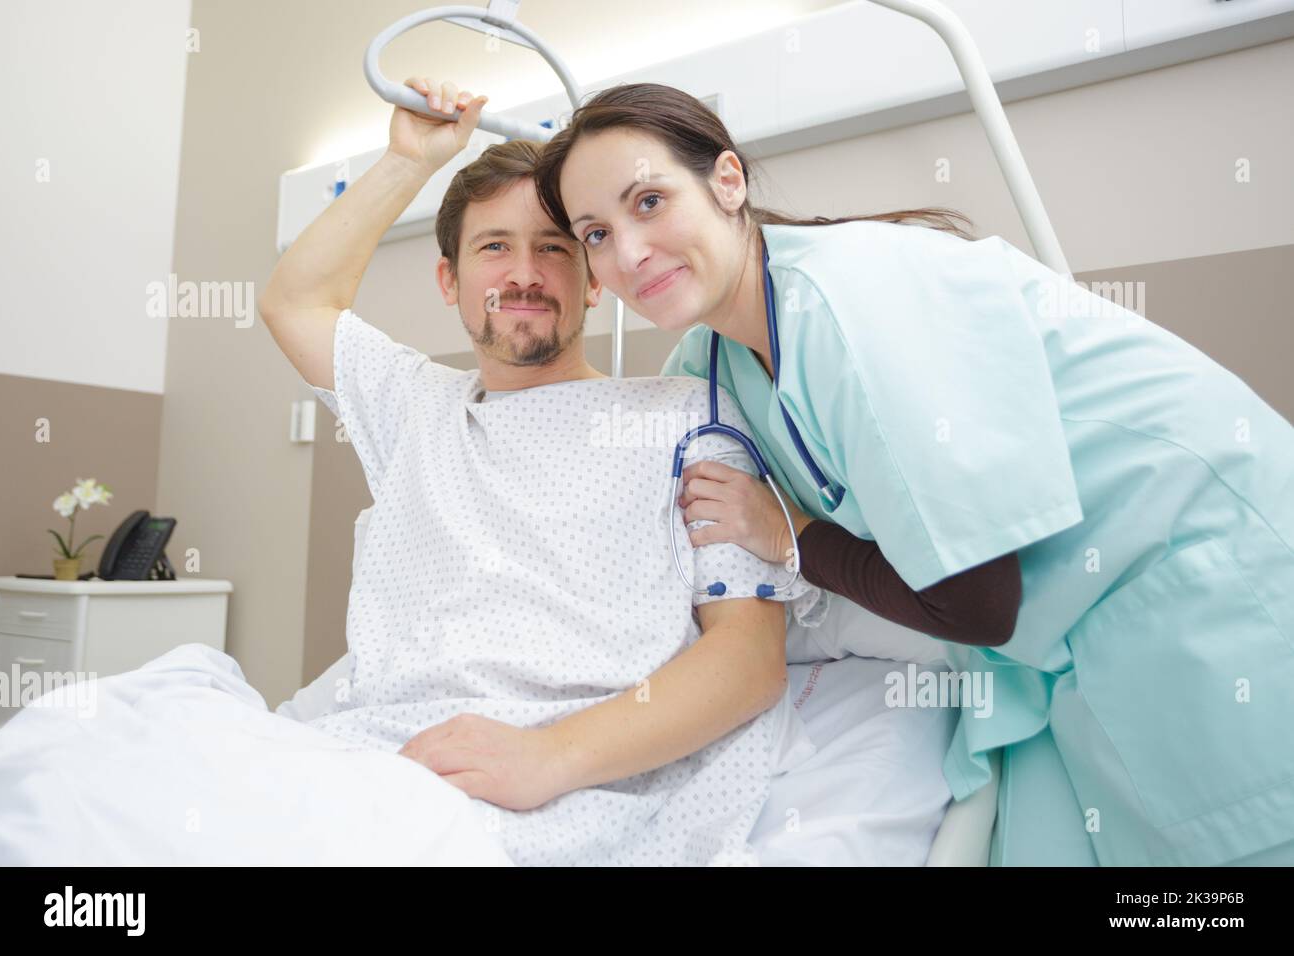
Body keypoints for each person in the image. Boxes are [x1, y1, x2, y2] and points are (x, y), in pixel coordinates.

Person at [529, 81, 1294, 867]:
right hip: (1059, 651)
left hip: (1201, 574)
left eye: (649, 202)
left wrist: (789, 534)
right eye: (595, 232)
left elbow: (976, 602)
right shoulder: (712, 367)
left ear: (728, 182)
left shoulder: (856, 298)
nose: (627, 253)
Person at [259, 79, 832, 866]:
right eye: (494, 246)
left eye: (555, 249)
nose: (523, 274)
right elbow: (296, 302)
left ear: (595, 279)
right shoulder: (414, 407)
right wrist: (407, 159)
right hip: (383, 759)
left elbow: (747, 660)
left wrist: (548, 757)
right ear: (449, 281)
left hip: (577, 783)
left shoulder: (687, 418)